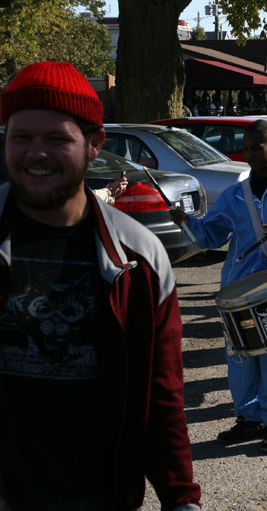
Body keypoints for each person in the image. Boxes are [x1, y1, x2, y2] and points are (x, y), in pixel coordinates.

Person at [0, 61, 201, 509]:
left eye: (57, 139)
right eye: (22, 137)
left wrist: (181, 499)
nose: (37, 153)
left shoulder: (139, 260)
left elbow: (162, 397)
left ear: (94, 145)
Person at [171, 120, 267, 454]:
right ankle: (248, 418)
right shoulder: (235, 193)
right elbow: (211, 235)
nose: (251, 154)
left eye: (258, 147)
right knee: (240, 358)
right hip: (239, 287)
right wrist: (186, 222)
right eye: (247, 147)